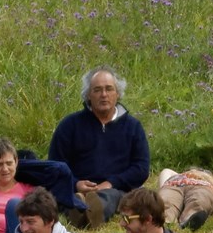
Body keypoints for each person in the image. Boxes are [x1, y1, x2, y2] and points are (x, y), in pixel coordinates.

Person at [43, 67, 148, 221]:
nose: (104, 94)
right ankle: (79, 206)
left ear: (117, 94)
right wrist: (76, 184)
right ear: (88, 95)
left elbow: (141, 168)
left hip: (114, 190)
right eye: (97, 90)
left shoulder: (133, 127)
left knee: (113, 197)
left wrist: (111, 183)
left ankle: (87, 211)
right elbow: (55, 166)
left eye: (109, 89)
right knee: (58, 194)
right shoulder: (69, 125)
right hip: (77, 189)